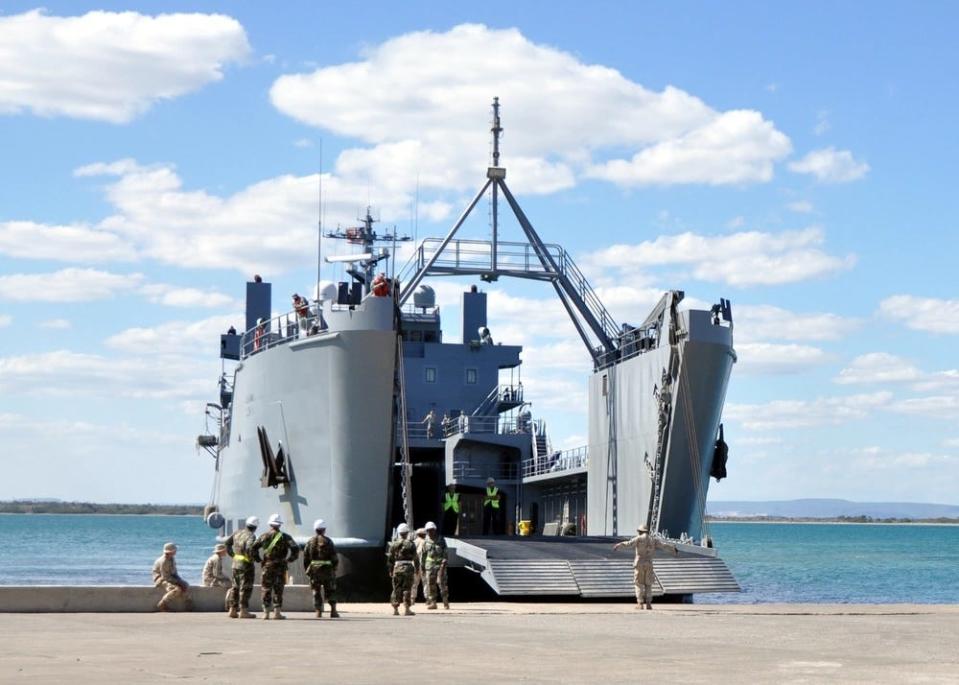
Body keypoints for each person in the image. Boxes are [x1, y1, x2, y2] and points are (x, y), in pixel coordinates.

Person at [612, 524, 679, 610]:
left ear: (640, 531)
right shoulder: (654, 540)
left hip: (639, 563)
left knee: (639, 584)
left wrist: (618, 545)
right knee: (648, 584)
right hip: (649, 563)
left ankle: (640, 604)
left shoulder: (638, 538)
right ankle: (648, 604)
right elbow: (663, 545)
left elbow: (628, 544)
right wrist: (673, 549)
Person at [252, 513, 300, 620]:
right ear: (280, 525)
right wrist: (290, 559)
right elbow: (295, 549)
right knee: (278, 589)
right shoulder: (286, 537)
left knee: (266, 588)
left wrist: (258, 559)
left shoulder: (264, 536)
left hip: (267, 566)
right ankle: (277, 613)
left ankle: (266, 613)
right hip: (281, 566)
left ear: (270, 524)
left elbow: (253, 548)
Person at [303, 518, 339, 619]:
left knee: (316, 591)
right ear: (324, 530)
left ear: (315, 529)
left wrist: (307, 570)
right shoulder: (329, 541)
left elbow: (305, 558)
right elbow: (334, 557)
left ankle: (318, 612)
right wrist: (334, 568)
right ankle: (333, 611)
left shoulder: (310, 542)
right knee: (331, 590)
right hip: (328, 570)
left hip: (315, 570)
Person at [225, 516, 259, 619]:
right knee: (245, 588)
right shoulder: (251, 536)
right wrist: (254, 558)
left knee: (235, 587)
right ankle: (243, 611)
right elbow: (249, 548)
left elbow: (227, 543)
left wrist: (233, 555)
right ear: (255, 527)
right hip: (246, 566)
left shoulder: (237, 532)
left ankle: (232, 610)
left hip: (235, 564)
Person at [386, 523, 419, 616]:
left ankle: (395, 609)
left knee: (396, 588)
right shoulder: (411, 544)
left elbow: (390, 559)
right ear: (407, 532)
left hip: (397, 568)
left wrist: (390, 570)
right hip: (408, 568)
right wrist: (417, 568)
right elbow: (416, 558)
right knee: (407, 588)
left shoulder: (393, 544)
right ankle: (407, 609)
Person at [152, 543, 193, 612]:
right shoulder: (163, 561)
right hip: (160, 580)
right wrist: (177, 582)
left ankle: (188, 603)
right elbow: (165, 577)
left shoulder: (172, 559)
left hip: (170, 578)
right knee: (176, 589)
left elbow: (174, 573)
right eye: (174, 551)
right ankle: (162, 603)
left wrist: (180, 581)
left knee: (185, 585)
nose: (175, 552)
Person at [421, 521, 449, 610]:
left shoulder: (441, 540)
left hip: (440, 566)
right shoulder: (425, 541)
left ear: (435, 530)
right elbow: (423, 554)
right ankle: (433, 602)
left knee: (442, 583)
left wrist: (444, 562)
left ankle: (445, 602)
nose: (430, 532)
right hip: (429, 567)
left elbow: (446, 552)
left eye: (432, 530)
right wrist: (422, 566)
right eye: (428, 530)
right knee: (430, 584)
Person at [413, 527, 427, 604]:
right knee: (425, 583)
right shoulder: (426, 542)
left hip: (415, 565)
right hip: (424, 565)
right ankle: (428, 600)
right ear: (424, 535)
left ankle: (412, 599)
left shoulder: (413, 542)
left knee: (414, 583)